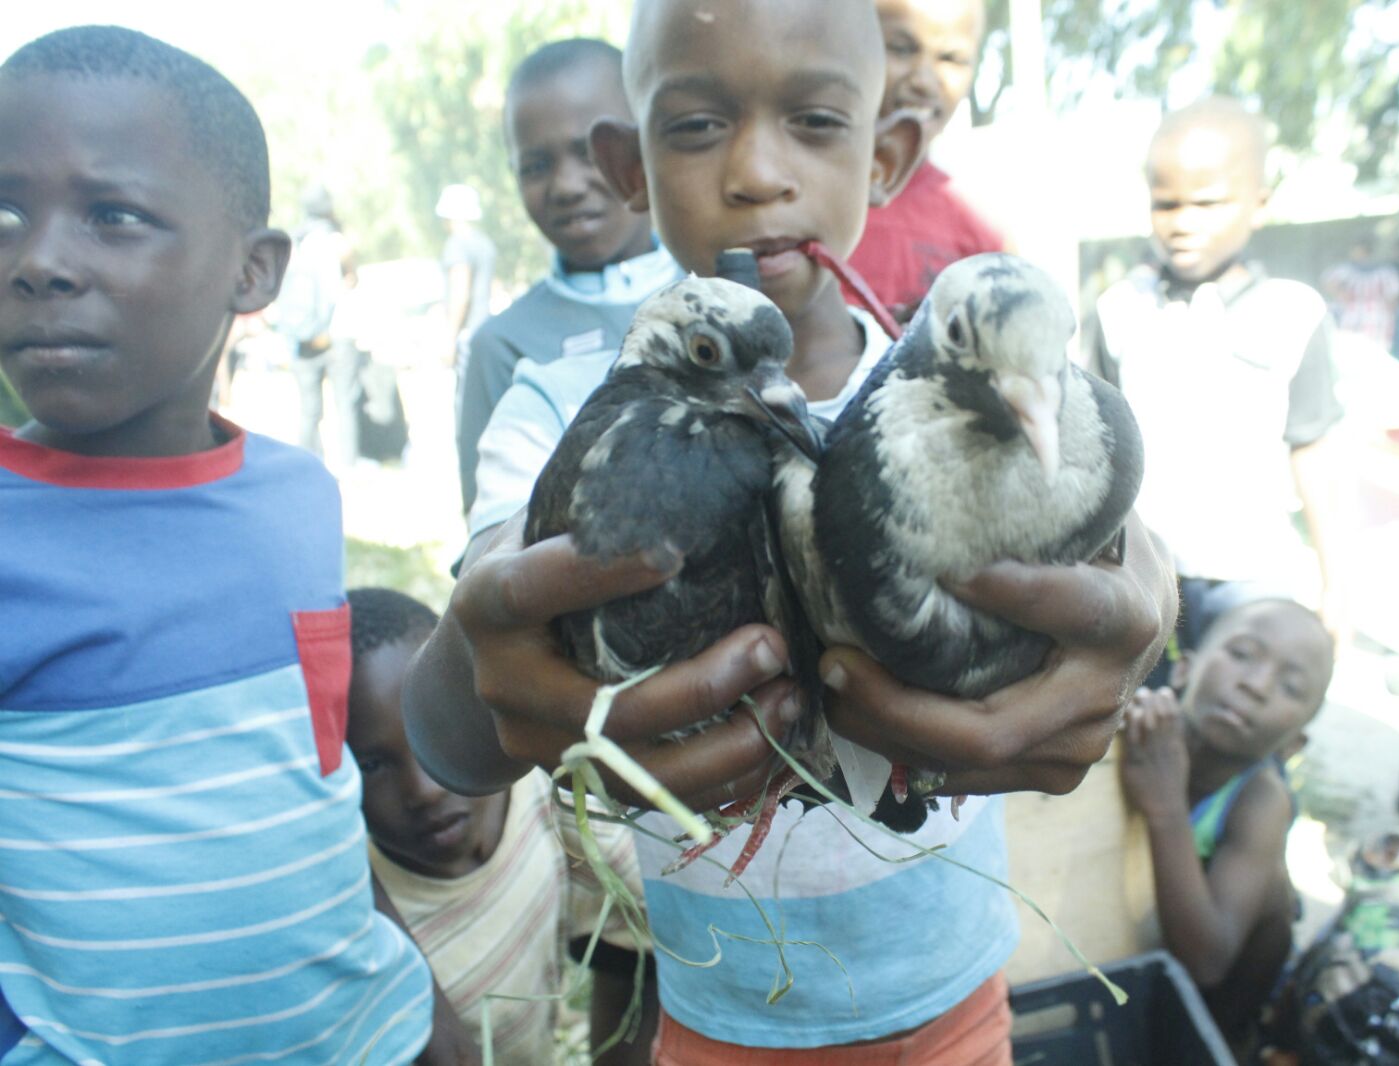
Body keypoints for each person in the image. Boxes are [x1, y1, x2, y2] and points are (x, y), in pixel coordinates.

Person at [403, 1, 1176, 1062]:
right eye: (696, 126)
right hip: (723, 1012)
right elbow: (456, 721)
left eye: (814, 120)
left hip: (954, 990)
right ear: (629, 167)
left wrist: (1151, 604)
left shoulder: (973, 386)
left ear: (889, 155)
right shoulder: (558, 413)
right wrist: (483, 660)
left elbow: (1121, 551)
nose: (757, 173)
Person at [0, 26, 447, 1063]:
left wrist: (413, 995)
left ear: (254, 272)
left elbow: (310, 782)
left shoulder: (298, 500)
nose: (40, 262)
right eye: (6, 214)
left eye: (114, 216)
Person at [1084, 97, 1346, 664]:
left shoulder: (1293, 312)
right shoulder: (1118, 310)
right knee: (1142, 727)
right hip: (1146, 572)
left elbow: (1313, 448)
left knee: (1240, 725)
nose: (1183, 224)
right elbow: (1097, 448)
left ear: (1259, 201)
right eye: (1166, 204)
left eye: (1207, 203)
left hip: (1252, 576)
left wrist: (1337, 582)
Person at [347, 588, 655, 1065]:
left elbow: (638, 941)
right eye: (371, 764)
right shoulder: (356, 916)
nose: (424, 790)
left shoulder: (539, 795)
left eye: (436, 731)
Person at [455, 39, 677, 516]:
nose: (567, 186)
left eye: (590, 154)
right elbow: (493, 557)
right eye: (536, 166)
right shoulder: (503, 346)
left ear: (643, 144)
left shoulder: (725, 293)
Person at [1120, 599, 1335, 1048]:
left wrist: (1165, 807)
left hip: (1210, 1026)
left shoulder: (1258, 801)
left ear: (1293, 744)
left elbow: (1206, 962)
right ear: (1183, 670)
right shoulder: (1145, 730)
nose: (1255, 685)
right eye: (1241, 655)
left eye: (1290, 687)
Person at [846, 0, 1007, 316]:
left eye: (951, 58)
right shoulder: (797, 193)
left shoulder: (980, 233)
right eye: (902, 49)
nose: (923, 79)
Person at [280, 182, 360, 466]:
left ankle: (308, 464)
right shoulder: (336, 241)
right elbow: (349, 281)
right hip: (334, 334)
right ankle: (348, 464)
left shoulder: (292, 242)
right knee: (344, 404)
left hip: (300, 334)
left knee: (309, 410)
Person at [437, 182, 496, 370]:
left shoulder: (457, 244)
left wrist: (449, 338)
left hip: (467, 334)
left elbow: (460, 295)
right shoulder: (484, 242)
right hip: (484, 330)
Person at [1320, 238, 1399, 353]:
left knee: (1373, 349)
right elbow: (1329, 282)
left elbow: (1393, 295)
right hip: (1356, 313)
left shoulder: (1385, 271)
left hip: (1374, 315)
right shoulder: (1347, 269)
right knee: (1352, 347)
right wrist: (1342, 294)